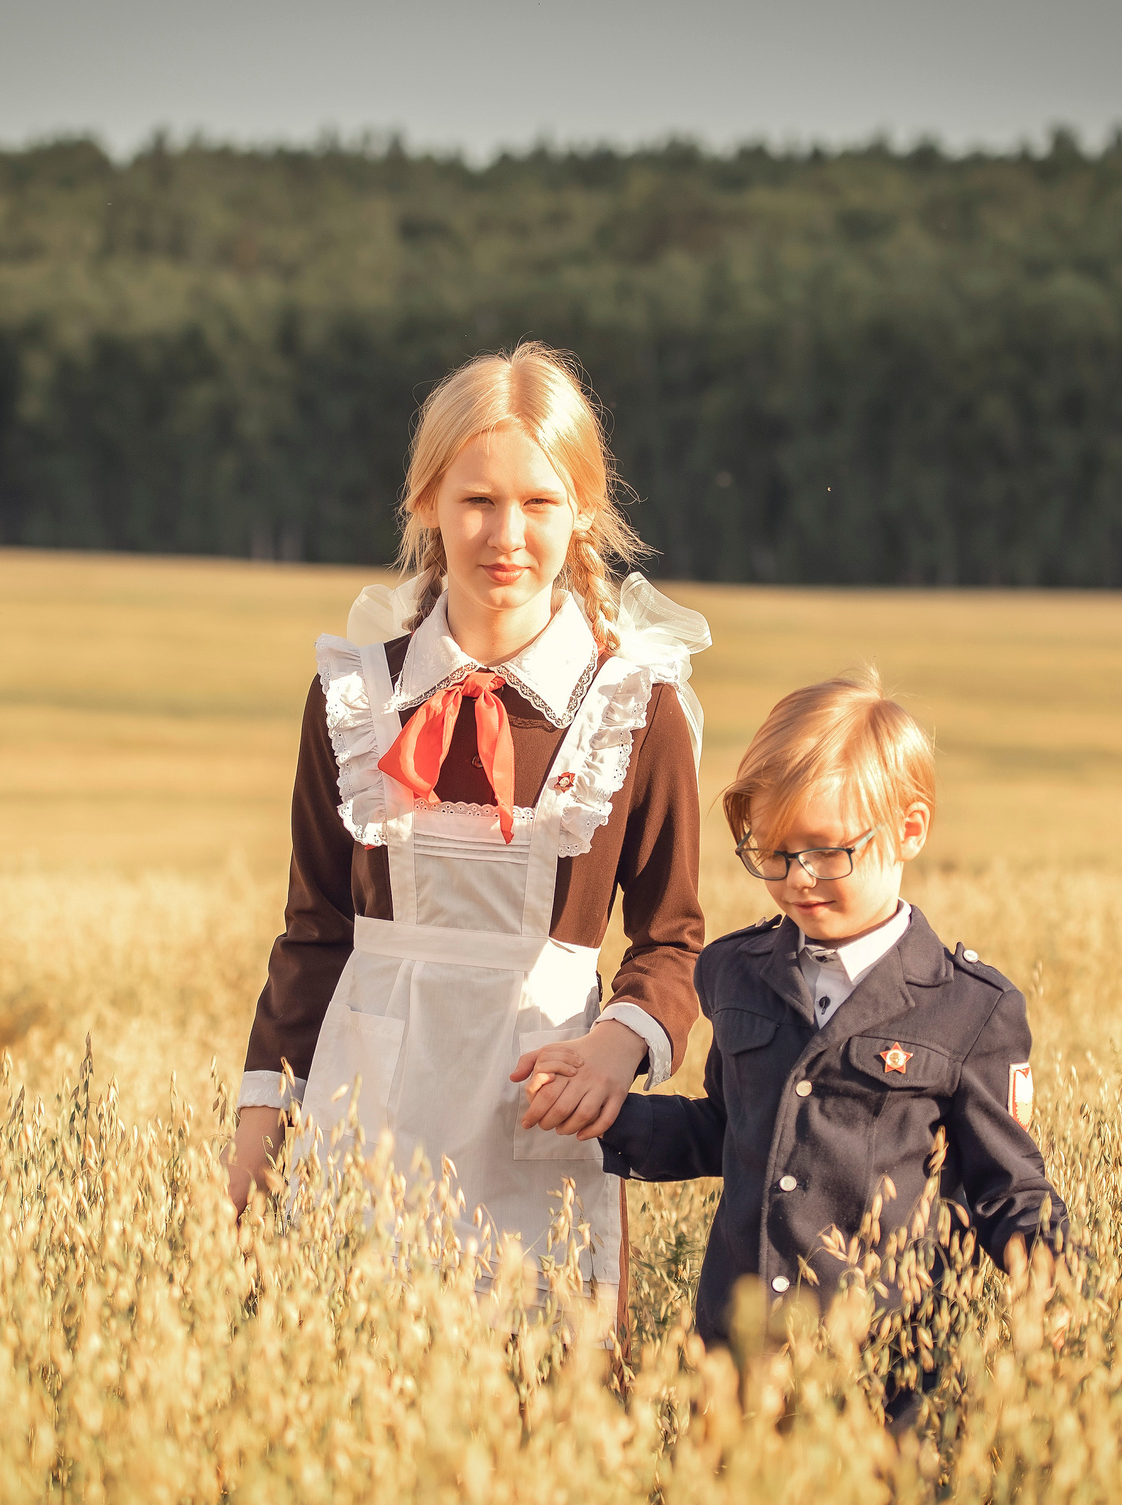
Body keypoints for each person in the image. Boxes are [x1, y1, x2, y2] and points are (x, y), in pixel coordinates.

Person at [228, 343, 711, 1306]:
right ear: (427, 505)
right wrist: (253, 1147)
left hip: (541, 1126)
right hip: (363, 1129)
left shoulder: (636, 710)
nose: (507, 534)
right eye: (477, 500)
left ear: (583, 512)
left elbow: (672, 940)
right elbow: (315, 935)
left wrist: (619, 1046)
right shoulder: (355, 701)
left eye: (539, 502)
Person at [558, 669, 1069, 1423]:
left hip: (880, 1389)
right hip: (734, 1378)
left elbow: (1007, 1188)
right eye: (773, 852)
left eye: (827, 852)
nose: (797, 879)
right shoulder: (734, 972)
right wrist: (604, 1117)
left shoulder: (971, 1009)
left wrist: (1049, 1279)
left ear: (910, 829)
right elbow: (730, 1131)